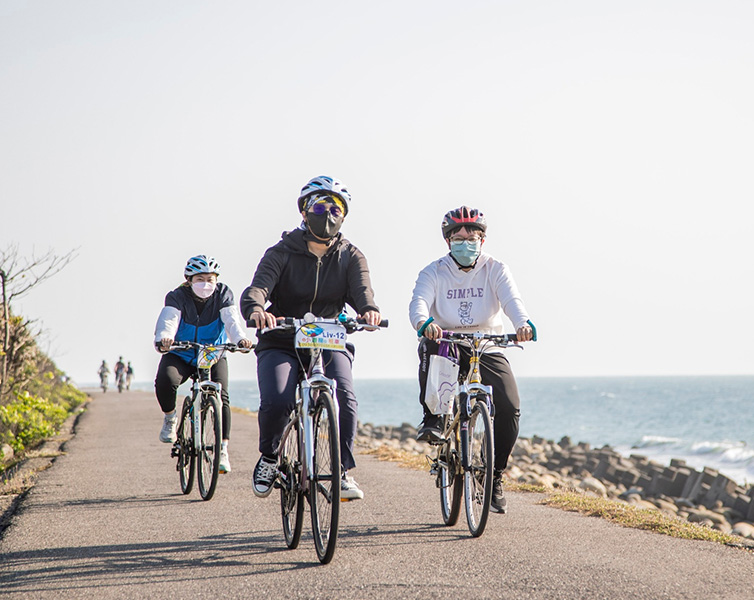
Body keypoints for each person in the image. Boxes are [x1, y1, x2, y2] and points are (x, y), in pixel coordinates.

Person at [240, 175, 381, 501]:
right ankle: (270, 456)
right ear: (304, 211)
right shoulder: (281, 252)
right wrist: (257, 309)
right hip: (282, 339)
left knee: (344, 398)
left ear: (344, 215)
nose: (327, 213)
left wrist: (369, 311)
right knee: (278, 400)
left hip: (329, 339)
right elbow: (258, 288)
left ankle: (341, 472)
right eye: (319, 206)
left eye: (336, 208)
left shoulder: (351, 256)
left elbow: (363, 293)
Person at [409, 206, 534, 514]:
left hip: (487, 344)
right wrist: (425, 324)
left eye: (472, 236)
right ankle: (434, 417)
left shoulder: (496, 269)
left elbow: (512, 302)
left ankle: (494, 475)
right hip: (448, 342)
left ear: (483, 239)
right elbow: (419, 303)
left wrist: (523, 324)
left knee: (509, 407)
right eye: (458, 237)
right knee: (430, 347)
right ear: (448, 241)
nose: (465, 242)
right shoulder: (433, 271)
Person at [154, 254, 252, 474]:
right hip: (182, 352)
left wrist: (240, 340)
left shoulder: (223, 294)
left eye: (210, 279)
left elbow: (232, 321)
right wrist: (164, 338)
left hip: (212, 354)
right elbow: (168, 320)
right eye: (200, 279)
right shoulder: (177, 296)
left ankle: (223, 449)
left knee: (223, 397)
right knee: (165, 381)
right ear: (189, 280)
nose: (206, 284)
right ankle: (170, 418)